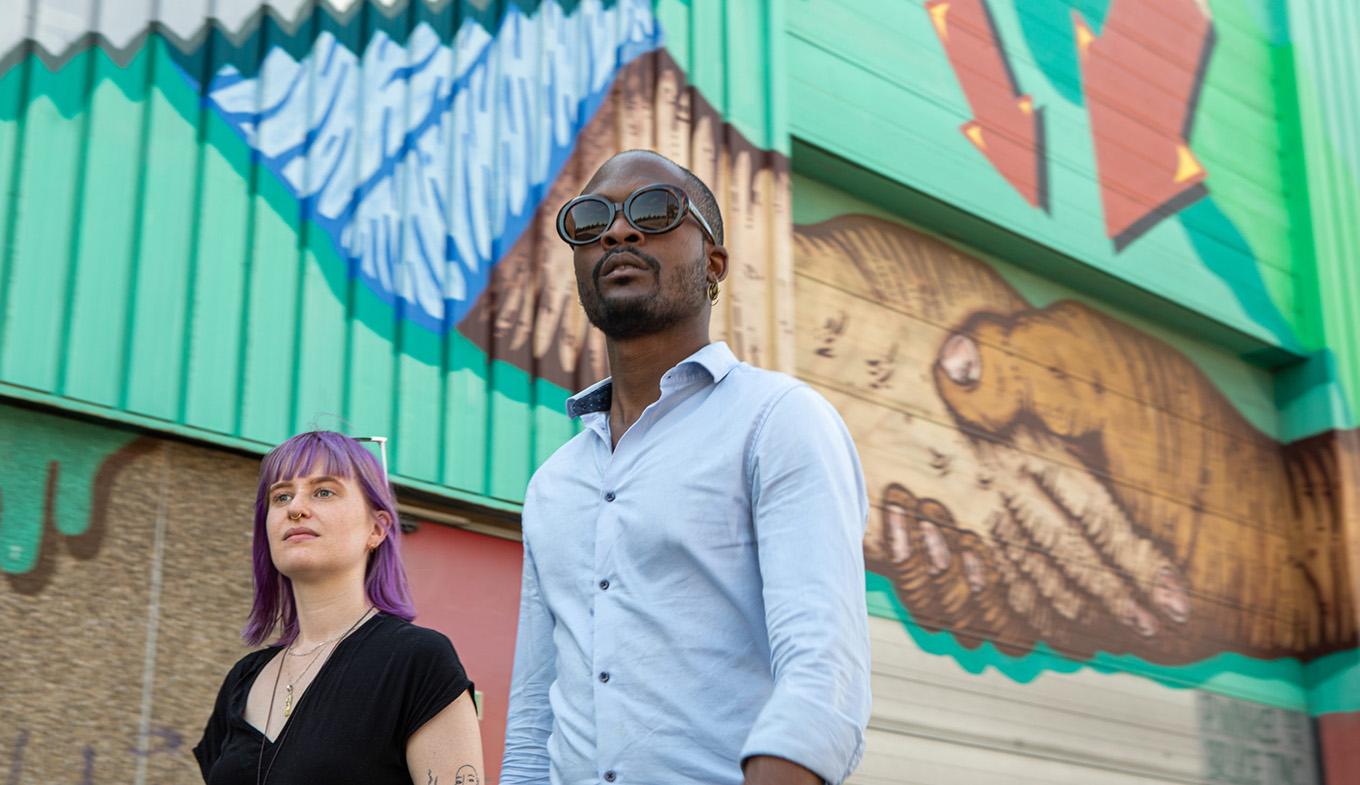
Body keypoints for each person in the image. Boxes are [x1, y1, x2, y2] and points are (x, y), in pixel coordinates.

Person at [501, 150, 872, 785]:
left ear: (713, 266)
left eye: (655, 209)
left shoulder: (778, 421)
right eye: (588, 221)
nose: (618, 230)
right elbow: (536, 713)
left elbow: (823, 670)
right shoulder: (553, 485)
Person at [194, 431, 482, 784]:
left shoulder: (416, 660)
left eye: (323, 491)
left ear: (377, 529)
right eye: (281, 496)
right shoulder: (243, 679)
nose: (296, 508)